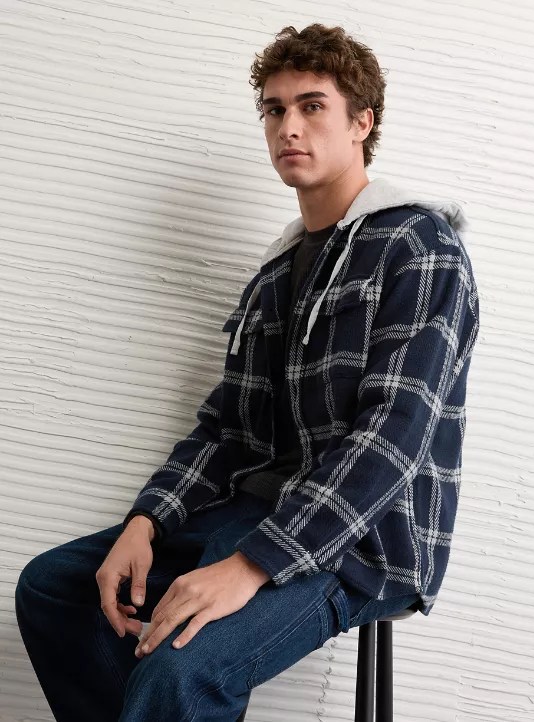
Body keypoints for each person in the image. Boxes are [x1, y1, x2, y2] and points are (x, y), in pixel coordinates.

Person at [15, 22, 480, 722]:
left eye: (312, 106)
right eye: (274, 108)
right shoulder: (276, 273)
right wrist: (146, 521)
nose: (288, 126)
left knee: (181, 668)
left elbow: (393, 435)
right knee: (53, 589)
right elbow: (226, 428)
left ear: (362, 122)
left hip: (363, 539)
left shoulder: (417, 246)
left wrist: (253, 565)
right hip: (255, 508)